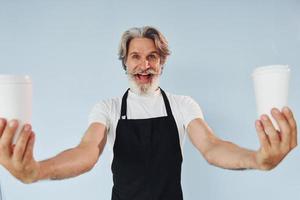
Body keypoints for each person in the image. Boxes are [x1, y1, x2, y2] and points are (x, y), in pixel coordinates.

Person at [0, 26, 297, 200]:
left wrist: (258, 160)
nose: (145, 65)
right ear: (125, 64)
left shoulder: (182, 105)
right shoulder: (109, 108)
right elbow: (87, 152)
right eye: (136, 57)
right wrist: (36, 171)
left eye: (152, 57)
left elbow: (212, 147)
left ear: (162, 63)